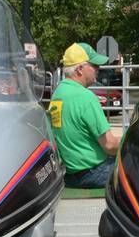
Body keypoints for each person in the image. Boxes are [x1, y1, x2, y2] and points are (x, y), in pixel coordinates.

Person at [48, 43, 120, 188]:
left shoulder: (58, 94)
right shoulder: (85, 97)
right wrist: (130, 140)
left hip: (71, 174)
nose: (98, 69)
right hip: (95, 172)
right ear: (80, 69)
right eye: (94, 65)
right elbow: (110, 145)